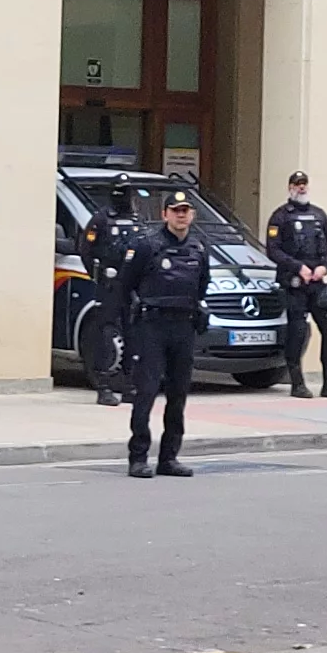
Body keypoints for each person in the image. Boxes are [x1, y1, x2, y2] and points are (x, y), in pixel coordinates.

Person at [115, 191, 211, 478]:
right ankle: (138, 457)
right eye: (175, 210)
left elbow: (202, 286)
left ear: (192, 215)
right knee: (146, 392)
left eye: (185, 210)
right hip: (152, 327)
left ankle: (169, 458)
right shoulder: (147, 245)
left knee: (178, 394)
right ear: (165, 214)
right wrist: (131, 328)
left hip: (184, 326)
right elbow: (124, 286)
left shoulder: (198, 248)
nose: (181, 215)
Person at [264, 170, 327, 400]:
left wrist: (325, 267)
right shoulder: (280, 216)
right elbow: (273, 250)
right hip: (293, 284)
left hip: (317, 284)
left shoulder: (318, 214)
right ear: (290, 188)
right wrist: (297, 267)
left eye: (304, 184)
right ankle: (297, 383)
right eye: (296, 184)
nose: (301, 187)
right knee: (298, 332)